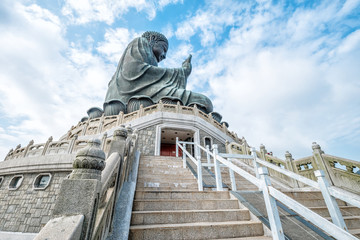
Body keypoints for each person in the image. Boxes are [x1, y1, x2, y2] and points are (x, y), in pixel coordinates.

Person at [104, 31, 213, 113]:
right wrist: (182, 72)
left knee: (205, 102)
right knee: (204, 102)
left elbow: (153, 80)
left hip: (145, 94)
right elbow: (133, 71)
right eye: (164, 49)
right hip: (128, 96)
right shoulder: (140, 42)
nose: (164, 56)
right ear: (152, 39)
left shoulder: (151, 58)